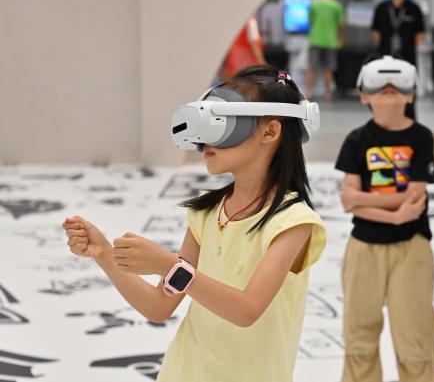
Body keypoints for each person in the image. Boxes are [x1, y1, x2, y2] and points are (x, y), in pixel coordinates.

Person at [63, 66, 327, 382]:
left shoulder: (292, 222)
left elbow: (247, 310)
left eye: (224, 124)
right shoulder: (207, 213)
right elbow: (159, 306)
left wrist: (170, 266)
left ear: (270, 132)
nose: (205, 141)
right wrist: (104, 254)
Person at [335, 55, 434, 382]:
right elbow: (349, 203)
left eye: (398, 85)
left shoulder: (422, 137)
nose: (389, 89)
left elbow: (414, 196)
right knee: (359, 340)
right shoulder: (356, 140)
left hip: (412, 247)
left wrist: (360, 198)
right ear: (364, 96)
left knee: (415, 339)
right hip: (363, 248)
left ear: (411, 94)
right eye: (379, 85)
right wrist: (394, 216)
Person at [371, 0, 426, 119]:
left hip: (407, 60)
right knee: (384, 94)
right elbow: (376, 33)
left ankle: (409, 125)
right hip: (385, 60)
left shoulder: (414, 8)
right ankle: (385, 123)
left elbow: (420, 35)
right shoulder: (381, 8)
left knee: (408, 97)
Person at [306, 0, 345, 101]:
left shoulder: (315, 4)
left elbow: (311, 22)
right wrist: (340, 38)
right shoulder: (336, 5)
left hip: (315, 40)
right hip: (330, 41)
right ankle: (327, 93)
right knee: (328, 68)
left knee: (311, 68)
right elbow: (341, 24)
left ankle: (308, 91)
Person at [218, 16, 266, 82]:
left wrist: (222, 71)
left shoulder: (231, 23)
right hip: (249, 71)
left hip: (233, 70)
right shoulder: (250, 21)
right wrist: (263, 66)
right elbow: (255, 45)